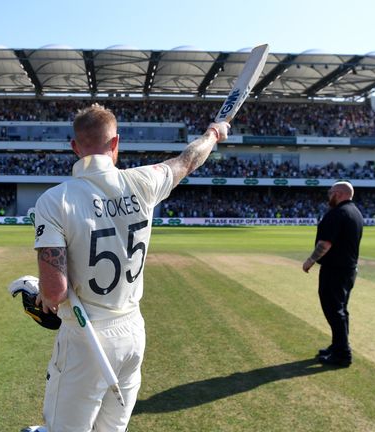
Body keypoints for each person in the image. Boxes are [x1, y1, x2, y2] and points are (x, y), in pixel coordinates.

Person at [31, 104, 229, 431]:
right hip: (133, 332)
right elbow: (188, 159)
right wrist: (213, 133)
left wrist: (40, 292)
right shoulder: (144, 181)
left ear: (75, 148)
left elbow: (55, 292)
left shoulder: (55, 200)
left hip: (87, 337)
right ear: (115, 143)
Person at [302, 181, 363, 367]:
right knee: (341, 310)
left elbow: (325, 244)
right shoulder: (355, 213)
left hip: (335, 270)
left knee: (333, 310)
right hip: (348, 270)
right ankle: (338, 346)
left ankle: (343, 353)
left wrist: (310, 261)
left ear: (339, 193)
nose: (329, 196)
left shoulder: (337, 213)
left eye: (331, 193)